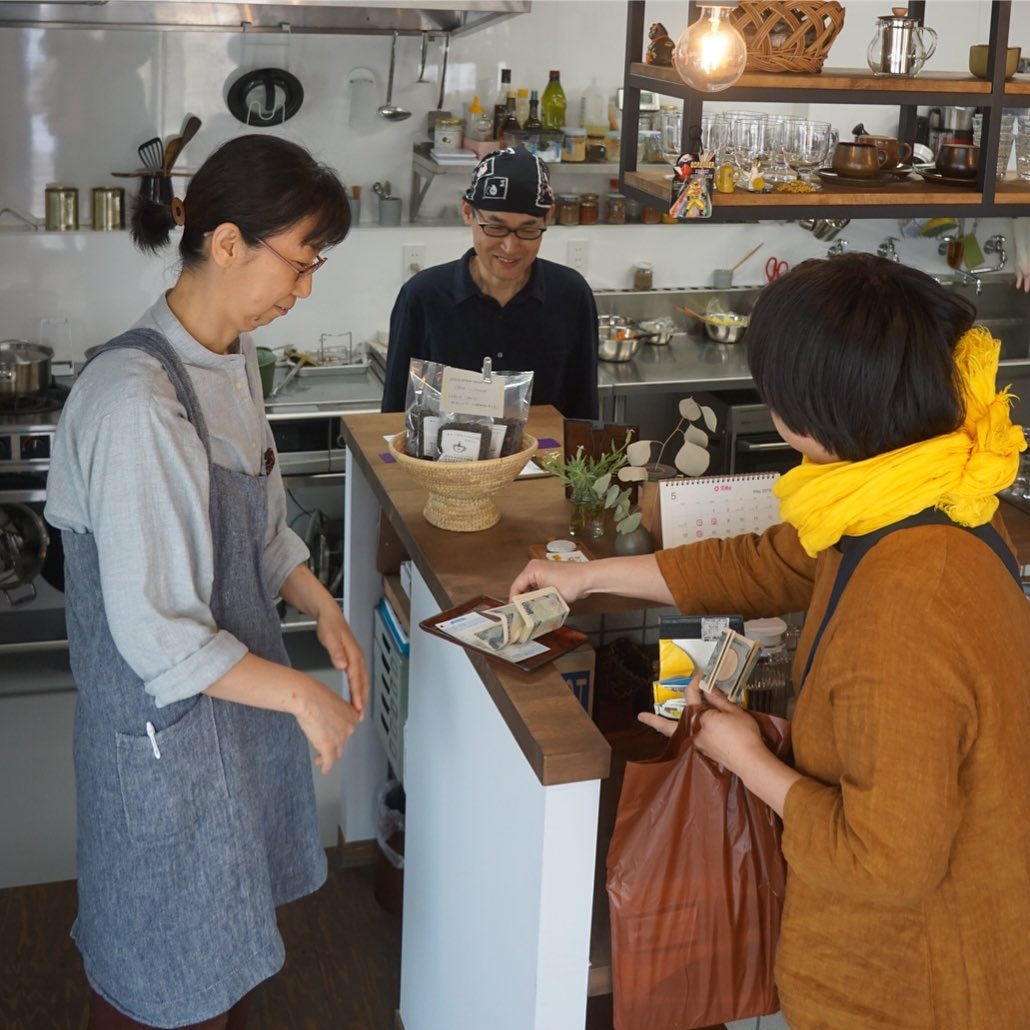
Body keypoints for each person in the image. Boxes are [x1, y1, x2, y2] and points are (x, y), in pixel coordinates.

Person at [511, 254, 1030, 1029]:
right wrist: (592, 578)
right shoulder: (928, 495)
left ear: (804, 416)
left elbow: (886, 863)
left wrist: (746, 759)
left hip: (910, 984)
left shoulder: (908, 604)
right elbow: (769, 563)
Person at [45, 134, 369, 1030]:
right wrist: (304, 699)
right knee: (160, 978)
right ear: (227, 244)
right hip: (160, 743)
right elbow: (158, 636)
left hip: (222, 724)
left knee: (218, 962)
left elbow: (259, 527)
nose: (303, 290)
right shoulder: (137, 403)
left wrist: (319, 602)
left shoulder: (228, 359)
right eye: (299, 263)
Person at [381, 146, 599, 420]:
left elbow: (584, 409)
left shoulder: (571, 295)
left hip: (546, 462)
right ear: (468, 212)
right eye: (495, 227)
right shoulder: (423, 296)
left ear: (548, 219)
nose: (510, 247)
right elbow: (393, 416)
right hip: (441, 462)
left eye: (528, 229)